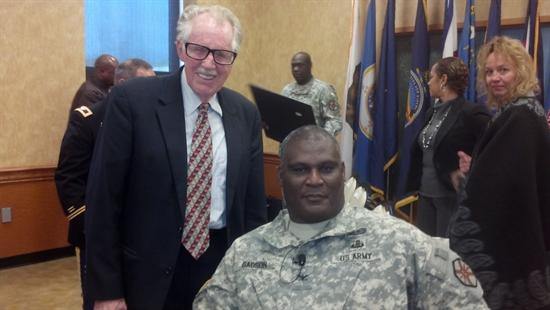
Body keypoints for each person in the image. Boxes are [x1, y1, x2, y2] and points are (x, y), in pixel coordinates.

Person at [85, 5, 267, 310]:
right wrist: (107, 290)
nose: (210, 63)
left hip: (221, 268)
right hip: (145, 273)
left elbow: (252, 209)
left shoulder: (245, 114)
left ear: (232, 59)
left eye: (222, 54)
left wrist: (253, 276)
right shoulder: (132, 102)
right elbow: (104, 199)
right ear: (180, 49)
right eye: (198, 50)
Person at [194, 125, 488, 309]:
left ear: (343, 172)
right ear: (280, 176)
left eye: (326, 168)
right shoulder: (246, 252)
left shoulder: (399, 243)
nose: (314, 180)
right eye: (300, 170)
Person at [448, 36, 550, 309]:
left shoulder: (520, 116)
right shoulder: (515, 112)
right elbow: (506, 169)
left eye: (503, 70)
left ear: (521, 72)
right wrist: (477, 166)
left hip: (511, 237)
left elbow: (500, 185)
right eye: (489, 71)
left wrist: (474, 175)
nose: (495, 78)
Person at [55, 58, 155, 310]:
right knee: (100, 300)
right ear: (121, 84)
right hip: (96, 232)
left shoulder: (150, 123)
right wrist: (92, 221)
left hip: (139, 234)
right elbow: (69, 178)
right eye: (145, 85)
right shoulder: (88, 119)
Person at [405, 57, 490, 237]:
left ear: (443, 80)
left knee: (447, 255)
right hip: (425, 193)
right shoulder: (431, 111)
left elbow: (491, 149)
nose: (428, 82)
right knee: (427, 251)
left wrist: (471, 167)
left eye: (432, 77)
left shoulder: (471, 113)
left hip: (450, 197)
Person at [282, 52, 342, 136]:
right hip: (288, 145)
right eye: (293, 66)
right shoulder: (286, 90)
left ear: (310, 66)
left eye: (300, 65)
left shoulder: (324, 90)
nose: (295, 69)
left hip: (313, 146)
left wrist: (319, 139)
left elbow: (335, 121)